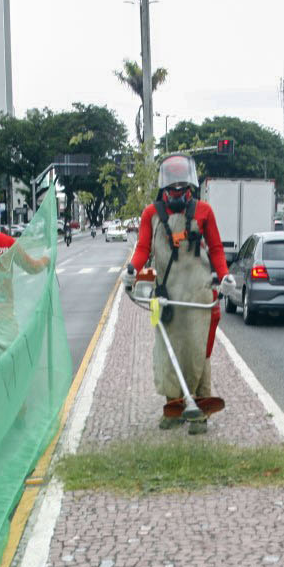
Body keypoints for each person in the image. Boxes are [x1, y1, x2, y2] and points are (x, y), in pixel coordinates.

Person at [124, 153, 229, 434]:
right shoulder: (151, 214)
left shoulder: (204, 212)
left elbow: (216, 249)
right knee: (168, 352)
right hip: (167, 295)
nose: (178, 195)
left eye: (183, 190)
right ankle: (173, 407)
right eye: (173, 190)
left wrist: (224, 276)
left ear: (191, 189)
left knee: (198, 353)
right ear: (164, 189)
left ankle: (199, 411)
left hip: (197, 295)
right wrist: (132, 270)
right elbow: (143, 249)